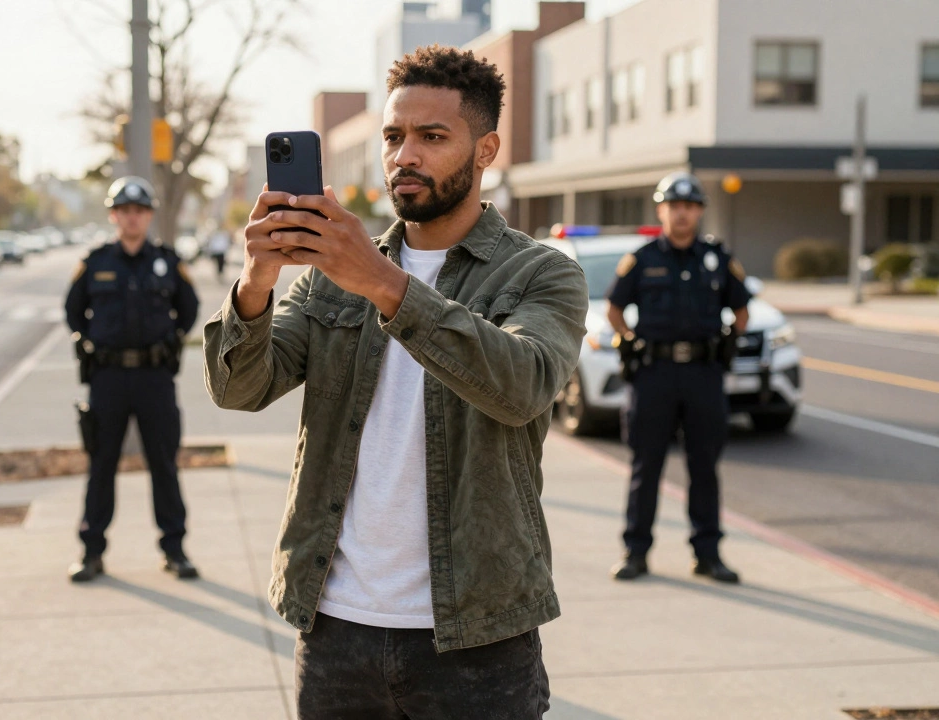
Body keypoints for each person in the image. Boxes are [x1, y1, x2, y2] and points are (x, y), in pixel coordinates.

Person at [203, 46, 588, 719]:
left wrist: (383, 284)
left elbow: (523, 386)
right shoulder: (331, 274)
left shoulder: (541, 273)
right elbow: (240, 389)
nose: (404, 156)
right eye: (393, 136)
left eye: (431, 137)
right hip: (336, 626)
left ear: (486, 149)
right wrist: (257, 280)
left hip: (477, 634)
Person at [606, 171, 752, 585]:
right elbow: (615, 309)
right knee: (646, 465)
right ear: (661, 211)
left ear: (699, 211)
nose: (681, 214)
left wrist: (727, 342)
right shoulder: (642, 259)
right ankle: (636, 553)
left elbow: (742, 311)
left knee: (704, 467)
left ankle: (708, 555)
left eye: (689, 206)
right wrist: (629, 340)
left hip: (704, 375)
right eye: (673, 206)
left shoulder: (717, 259)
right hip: (654, 374)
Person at [64, 176, 201, 582]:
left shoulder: (167, 261)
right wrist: (91, 342)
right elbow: (73, 311)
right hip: (107, 379)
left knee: (164, 464)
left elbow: (189, 309)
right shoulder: (95, 262)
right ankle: (91, 552)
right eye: (124, 211)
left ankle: (174, 549)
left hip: (154, 378)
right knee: (101, 464)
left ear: (149, 216)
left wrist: (171, 340)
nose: (132, 218)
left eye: (139, 211)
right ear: (114, 216)